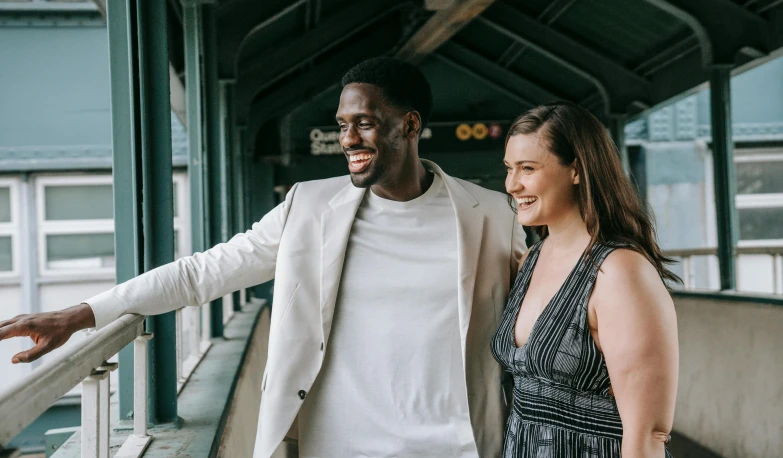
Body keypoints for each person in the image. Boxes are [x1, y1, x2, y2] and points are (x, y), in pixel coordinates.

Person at [0, 57, 526, 458]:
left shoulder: (491, 214)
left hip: (459, 443)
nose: (348, 139)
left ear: (410, 126)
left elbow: (539, 311)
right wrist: (82, 314)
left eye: (364, 123)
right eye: (342, 124)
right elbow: (203, 272)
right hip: (342, 443)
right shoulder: (310, 207)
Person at [492, 101, 678, 458]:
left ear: (576, 170)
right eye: (509, 169)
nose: (512, 185)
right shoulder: (532, 259)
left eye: (527, 168)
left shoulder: (619, 270)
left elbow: (649, 433)